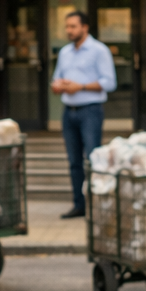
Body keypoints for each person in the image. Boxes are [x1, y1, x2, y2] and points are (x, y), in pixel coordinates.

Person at [50, 11, 117, 219]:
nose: (69, 31)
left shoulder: (99, 50)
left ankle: (97, 204)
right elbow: (56, 80)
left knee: (93, 158)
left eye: (73, 26)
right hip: (69, 112)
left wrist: (81, 87)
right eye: (67, 27)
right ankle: (79, 205)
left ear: (85, 27)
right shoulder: (64, 52)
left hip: (90, 110)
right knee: (73, 161)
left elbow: (109, 82)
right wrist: (58, 85)